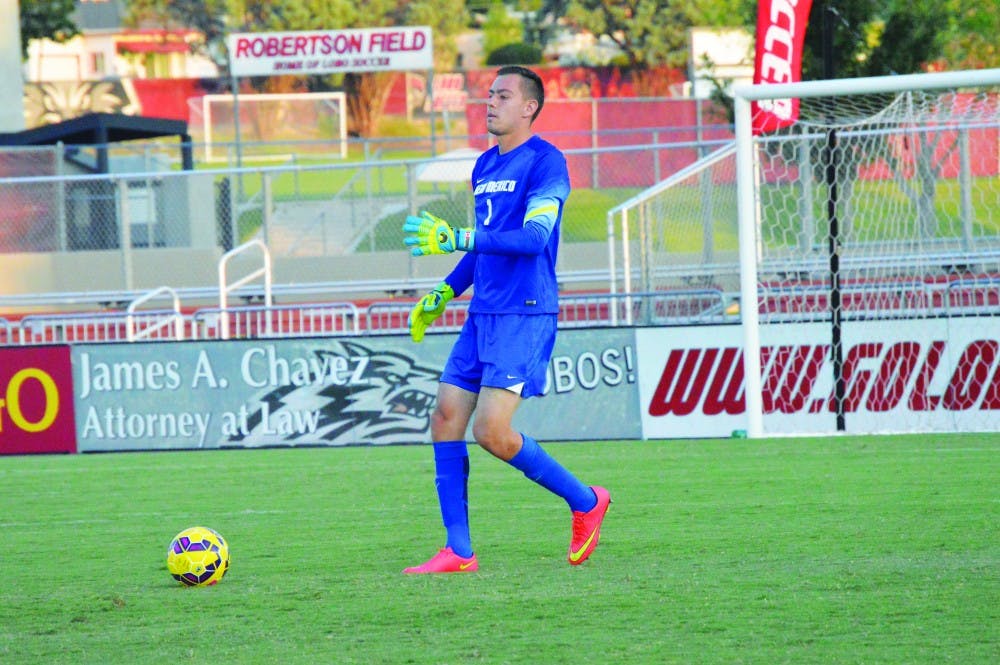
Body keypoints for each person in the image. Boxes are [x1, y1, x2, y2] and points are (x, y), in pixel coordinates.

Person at [400, 65, 610, 574]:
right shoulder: (484, 167)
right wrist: (445, 289)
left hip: (525, 312)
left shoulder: (546, 163)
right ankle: (459, 550)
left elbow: (533, 240)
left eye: (503, 95)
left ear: (530, 107)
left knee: (492, 433)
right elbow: (484, 248)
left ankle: (586, 501)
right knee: (446, 419)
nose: (489, 102)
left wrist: (459, 238)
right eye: (488, 94)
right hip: (482, 314)